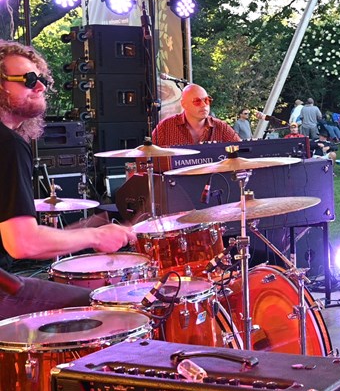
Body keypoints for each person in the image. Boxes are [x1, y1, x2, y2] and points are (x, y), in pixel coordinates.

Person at [0, 41, 136, 319]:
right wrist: (97, 235)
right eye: (29, 80)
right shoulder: (7, 143)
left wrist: (79, 230)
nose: (40, 87)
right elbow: (23, 243)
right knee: (104, 310)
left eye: (42, 80)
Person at [152, 83, 241, 146]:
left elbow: (242, 152)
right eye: (197, 101)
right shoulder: (165, 127)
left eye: (206, 100)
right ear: (184, 104)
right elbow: (148, 155)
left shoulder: (221, 128)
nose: (204, 105)